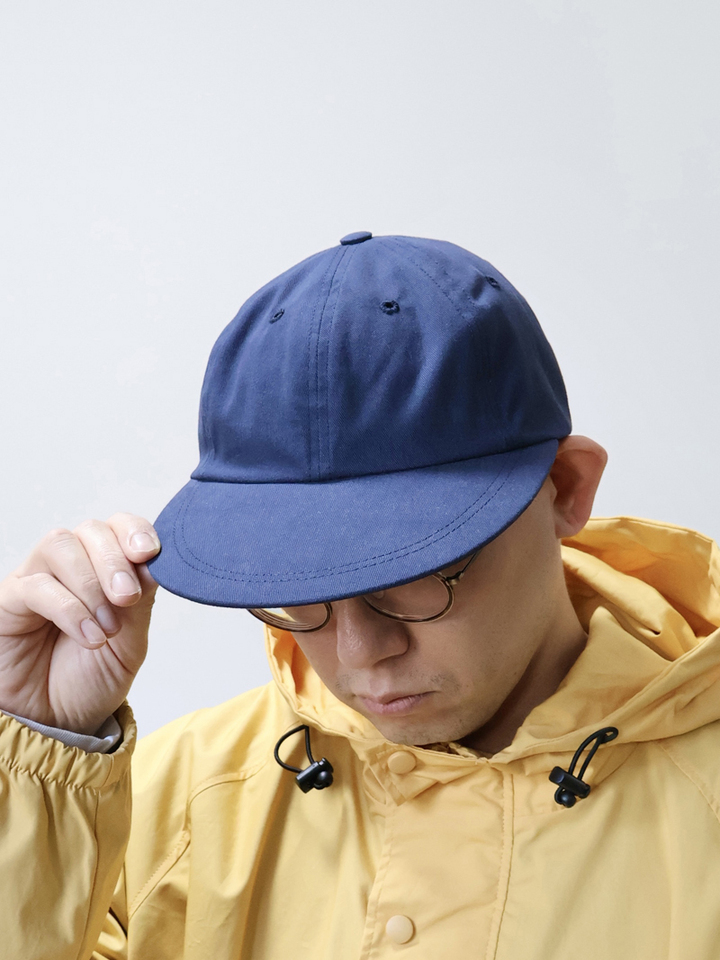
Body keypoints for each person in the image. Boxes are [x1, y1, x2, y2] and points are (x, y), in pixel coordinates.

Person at [2, 232, 720, 960]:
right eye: (298, 589)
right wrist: (36, 754)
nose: (357, 653)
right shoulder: (172, 797)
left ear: (564, 488)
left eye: (415, 575)